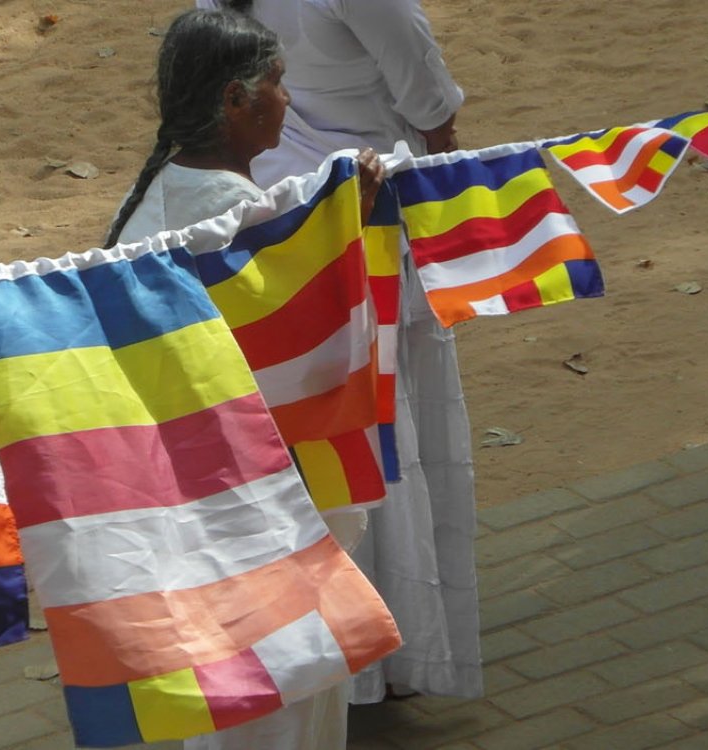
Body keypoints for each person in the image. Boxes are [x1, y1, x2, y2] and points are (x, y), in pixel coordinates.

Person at [108, 9, 381, 748]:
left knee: (218, 675)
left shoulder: (150, 200)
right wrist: (351, 224)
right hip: (255, 487)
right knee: (286, 677)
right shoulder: (238, 220)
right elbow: (319, 353)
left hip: (175, 480)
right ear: (235, 100)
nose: (287, 101)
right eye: (278, 83)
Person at [198, 0, 483, 704]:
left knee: (321, 445)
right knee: (389, 438)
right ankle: (395, 648)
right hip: (366, 223)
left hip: (277, 239)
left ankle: (343, 655)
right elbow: (431, 107)